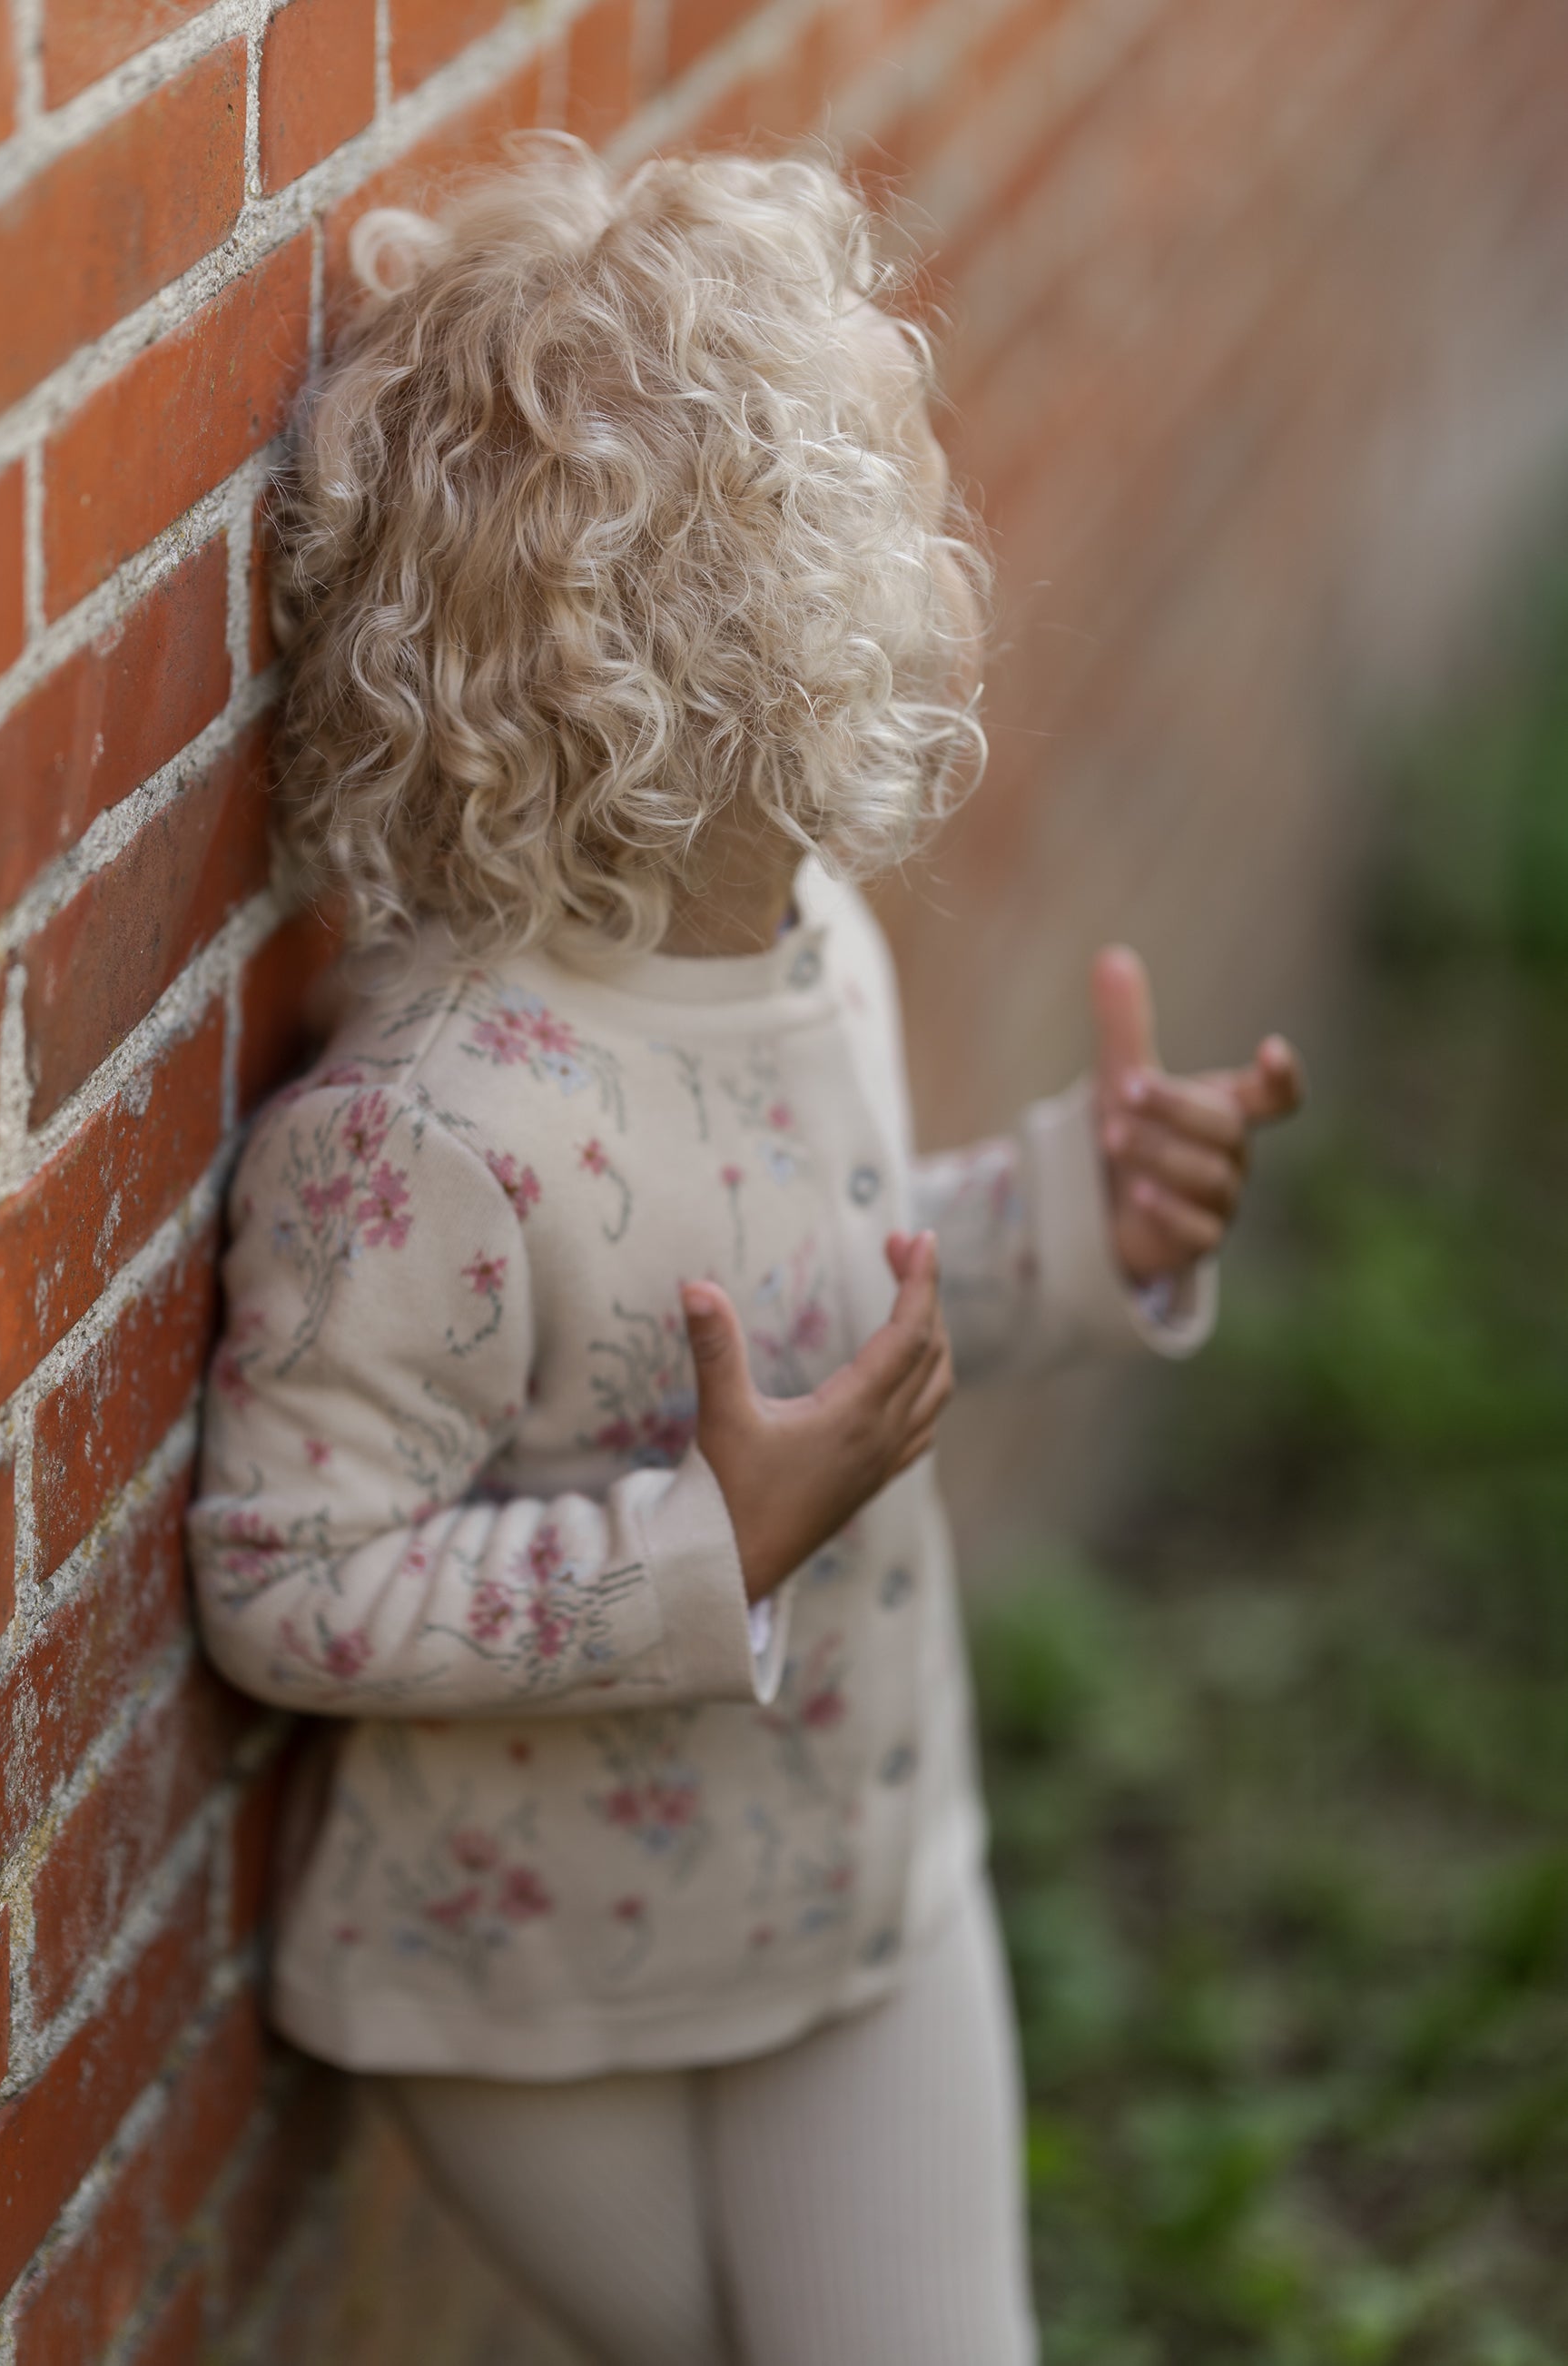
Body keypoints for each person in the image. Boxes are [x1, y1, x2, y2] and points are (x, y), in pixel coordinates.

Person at [188, 139, 1302, 2366]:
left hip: (866, 1868)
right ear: (660, 686)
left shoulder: (805, 941)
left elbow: (837, 1305)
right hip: (545, 1980)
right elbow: (284, 1574)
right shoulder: (433, 1136)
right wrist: (704, 1536)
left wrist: (1079, 1210)